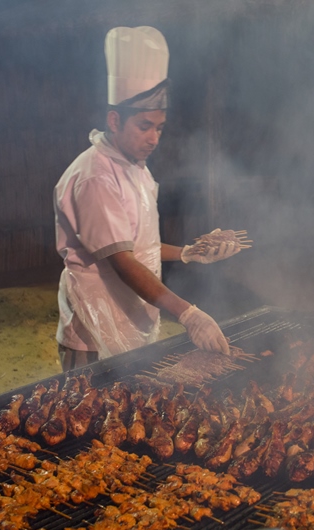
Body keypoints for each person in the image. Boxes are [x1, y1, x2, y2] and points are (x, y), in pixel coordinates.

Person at [54, 26, 240, 371]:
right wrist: (188, 313)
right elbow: (123, 262)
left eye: (160, 127)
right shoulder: (95, 176)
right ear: (114, 120)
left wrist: (186, 253)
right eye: (144, 126)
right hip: (93, 334)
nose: (154, 138)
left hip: (132, 325)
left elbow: (139, 245)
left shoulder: (136, 168)